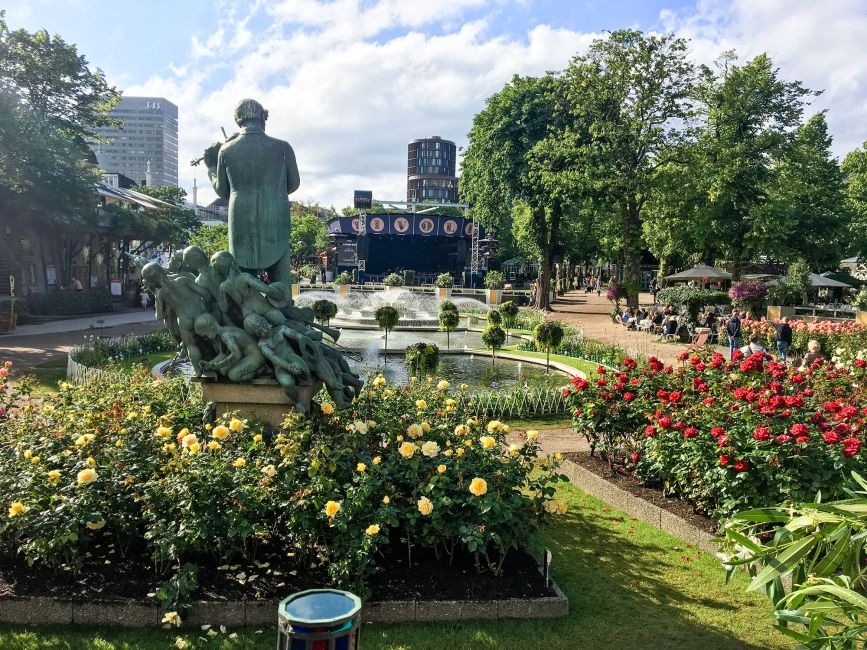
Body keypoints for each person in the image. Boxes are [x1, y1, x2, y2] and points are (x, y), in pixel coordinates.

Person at [203, 98, 300, 286]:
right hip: (276, 217)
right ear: (262, 117)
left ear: (238, 120)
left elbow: (222, 191)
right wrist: (275, 192)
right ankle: (285, 310)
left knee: (242, 281)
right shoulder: (283, 147)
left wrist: (211, 167)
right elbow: (294, 183)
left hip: (240, 219)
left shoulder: (226, 150)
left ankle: (245, 312)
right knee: (281, 278)